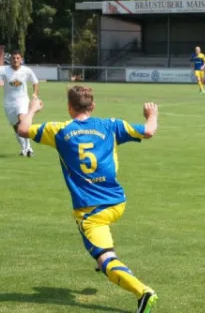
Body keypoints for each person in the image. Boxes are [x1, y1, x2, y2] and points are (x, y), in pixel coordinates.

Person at [16, 86, 160, 312]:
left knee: (104, 258)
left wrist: (33, 109)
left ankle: (143, 292)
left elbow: (23, 129)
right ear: (92, 106)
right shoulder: (111, 125)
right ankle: (106, 258)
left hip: (91, 211)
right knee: (100, 238)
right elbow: (149, 131)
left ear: (69, 107)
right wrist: (152, 115)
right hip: (117, 202)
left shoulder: (59, 130)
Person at [0, 50, 39, 156]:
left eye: (18, 58)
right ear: (10, 59)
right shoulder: (3, 71)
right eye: (13, 58)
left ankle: (29, 148)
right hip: (9, 103)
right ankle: (23, 149)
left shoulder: (27, 70)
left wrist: (35, 94)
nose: (15, 60)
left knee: (22, 121)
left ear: (21, 59)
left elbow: (35, 82)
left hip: (22, 100)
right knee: (16, 127)